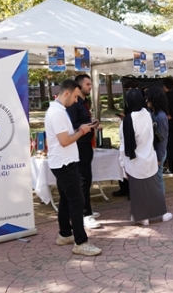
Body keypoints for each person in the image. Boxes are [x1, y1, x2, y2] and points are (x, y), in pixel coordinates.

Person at [45, 79, 101, 256]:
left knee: (66, 199)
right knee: (77, 201)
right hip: (64, 163)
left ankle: (65, 233)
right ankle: (81, 242)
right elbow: (64, 141)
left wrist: (82, 129)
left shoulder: (56, 110)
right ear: (67, 93)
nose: (77, 101)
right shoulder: (58, 113)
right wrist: (82, 131)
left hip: (62, 162)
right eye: (76, 97)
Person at [119, 89, 173, 225]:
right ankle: (162, 213)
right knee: (154, 188)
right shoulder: (148, 114)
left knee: (138, 191)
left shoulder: (127, 121)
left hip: (134, 161)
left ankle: (143, 217)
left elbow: (124, 145)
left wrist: (122, 162)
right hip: (150, 157)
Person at [66, 74, 101, 230]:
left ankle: (87, 210)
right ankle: (84, 214)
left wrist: (92, 124)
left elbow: (82, 123)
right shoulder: (74, 105)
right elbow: (72, 126)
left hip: (86, 145)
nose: (90, 86)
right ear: (79, 86)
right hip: (79, 146)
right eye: (87, 84)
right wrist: (87, 126)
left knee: (86, 179)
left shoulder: (83, 103)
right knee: (83, 181)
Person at [145, 86, 170, 193]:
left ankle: (161, 202)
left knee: (158, 177)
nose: (146, 100)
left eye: (148, 98)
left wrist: (159, 157)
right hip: (156, 152)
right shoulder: (155, 114)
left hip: (159, 153)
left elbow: (163, 138)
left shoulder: (161, 117)